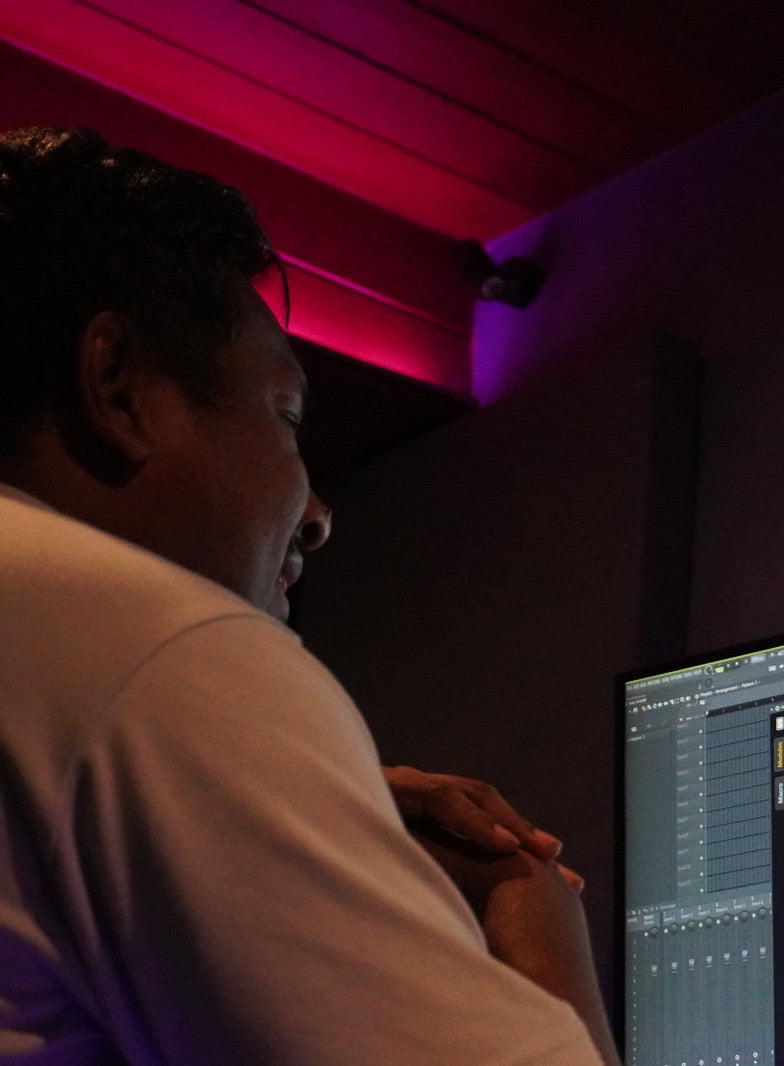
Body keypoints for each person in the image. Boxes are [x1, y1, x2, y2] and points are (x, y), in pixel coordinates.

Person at [0, 128, 616, 1064]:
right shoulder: (168, 652)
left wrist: (326, 816)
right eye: (285, 417)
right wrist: (525, 899)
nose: (318, 514)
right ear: (116, 387)